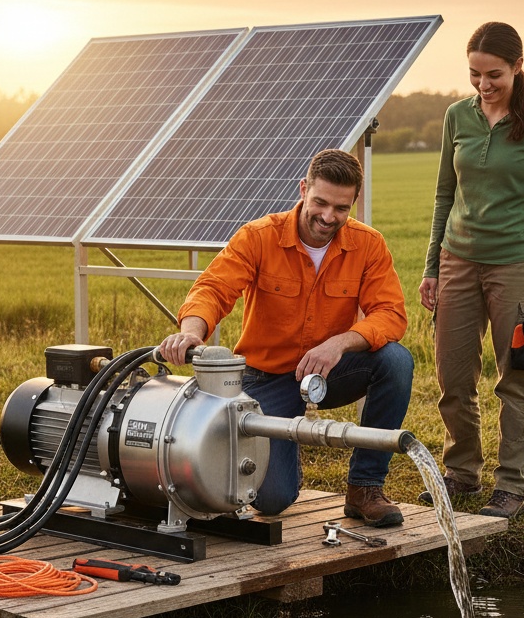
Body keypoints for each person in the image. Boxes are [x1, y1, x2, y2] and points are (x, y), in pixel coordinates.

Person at [158, 148, 414, 527]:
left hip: (329, 371)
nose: (329, 217)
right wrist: (190, 332)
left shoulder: (368, 244)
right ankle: (285, 443)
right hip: (267, 379)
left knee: (396, 361)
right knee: (272, 500)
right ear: (303, 189)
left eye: (341, 208)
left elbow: (390, 314)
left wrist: (339, 343)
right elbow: (213, 288)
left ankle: (365, 487)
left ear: (353, 203)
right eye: (320, 203)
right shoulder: (259, 236)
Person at [419, 22, 524, 519]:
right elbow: (444, 194)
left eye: (494, 75)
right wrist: (432, 266)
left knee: (516, 379)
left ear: (518, 67)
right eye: (475, 74)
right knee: (454, 375)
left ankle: (511, 486)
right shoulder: (456, 116)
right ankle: (461, 471)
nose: (483, 85)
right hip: (457, 261)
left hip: (517, 265)